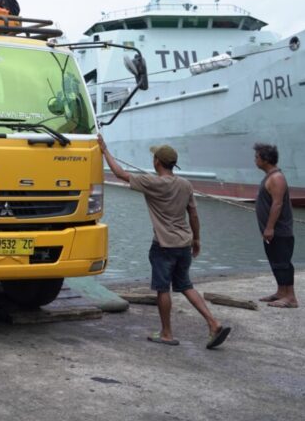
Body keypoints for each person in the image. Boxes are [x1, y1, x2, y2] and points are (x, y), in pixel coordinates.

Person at [98, 135, 231, 349]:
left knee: (162, 289)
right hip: (184, 244)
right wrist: (196, 239)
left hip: (163, 245)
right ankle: (213, 323)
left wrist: (104, 151)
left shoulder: (153, 183)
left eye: (154, 158)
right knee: (186, 285)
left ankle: (167, 333)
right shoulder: (186, 184)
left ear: (157, 162)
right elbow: (194, 215)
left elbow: (119, 174)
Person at [253, 143, 297, 308]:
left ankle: (291, 297)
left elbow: (277, 204)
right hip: (271, 231)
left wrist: (270, 227)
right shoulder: (269, 177)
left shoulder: (276, 178)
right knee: (275, 261)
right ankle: (281, 292)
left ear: (266, 160)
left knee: (283, 262)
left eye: (257, 157)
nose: (255, 160)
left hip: (279, 230)